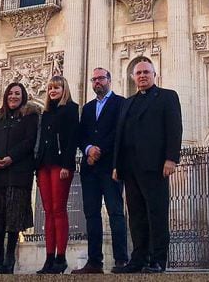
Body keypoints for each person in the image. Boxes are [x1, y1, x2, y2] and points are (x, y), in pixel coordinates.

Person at [112, 58, 182, 274]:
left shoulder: (167, 97)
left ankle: (158, 260)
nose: (142, 76)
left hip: (155, 166)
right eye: (138, 73)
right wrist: (116, 165)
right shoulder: (127, 102)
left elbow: (174, 128)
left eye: (146, 72)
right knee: (136, 216)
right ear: (132, 77)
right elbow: (119, 136)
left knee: (156, 213)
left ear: (154, 74)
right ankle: (138, 258)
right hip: (130, 168)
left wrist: (171, 158)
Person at [73, 68, 128, 274]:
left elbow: (119, 132)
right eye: (94, 79)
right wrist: (88, 148)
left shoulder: (120, 103)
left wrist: (99, 150)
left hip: (110, 167)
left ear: (109, 80)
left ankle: (121, 259)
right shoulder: (87, 108)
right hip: (90, 169)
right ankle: (94, 261)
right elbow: (81, 134)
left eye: (101, 78)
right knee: (91, 215)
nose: (97, 82)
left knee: (115, 212)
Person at [0, 82, 40, 274]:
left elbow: (29, 141)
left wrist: (11, 157)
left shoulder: (30, 116)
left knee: (13, 217)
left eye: (17, 93)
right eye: (10, 93)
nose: (13, 96)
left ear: (23, 96)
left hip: (17, 172)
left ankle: (9, 257)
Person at [34, 75, 79, 274]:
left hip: (60, 164)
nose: (52, 91)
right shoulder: (46, 112)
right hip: (43, 164)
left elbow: (72, 139)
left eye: (57, 88)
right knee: (48, 211)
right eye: (50, 88)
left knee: (58, 209)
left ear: (64, 90)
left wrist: (67, 165)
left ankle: (61, 257)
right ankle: (49, 258)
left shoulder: (70, 109)